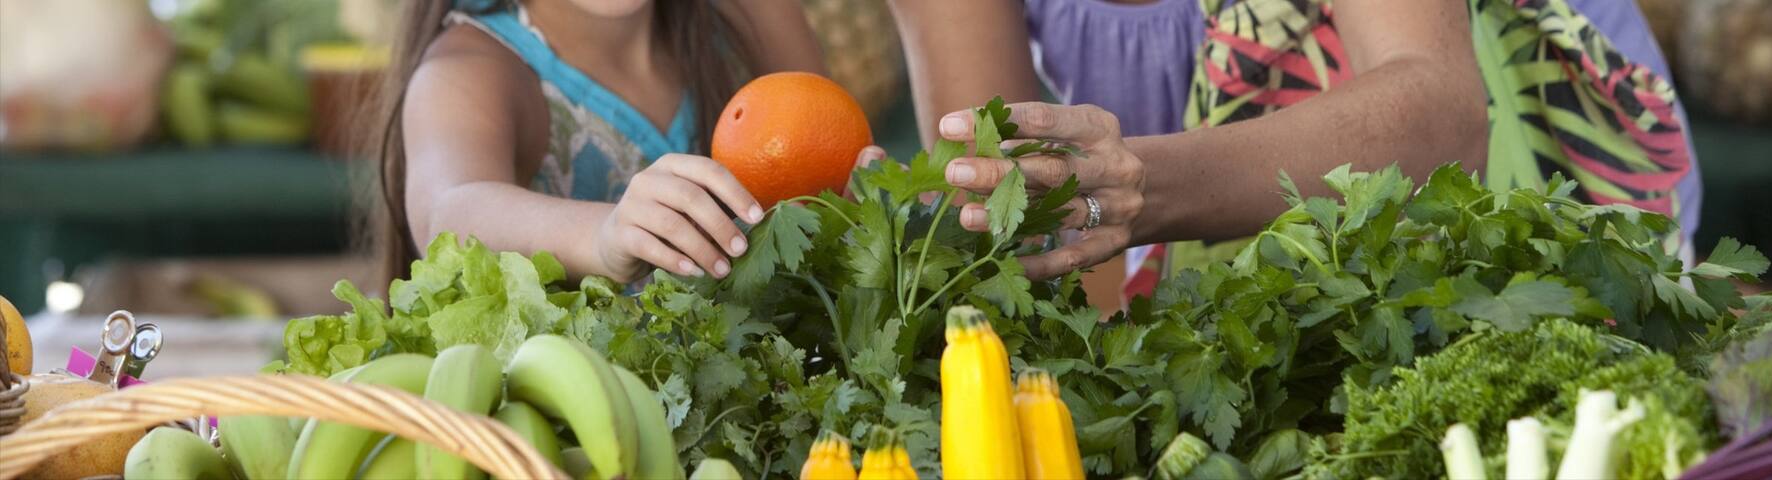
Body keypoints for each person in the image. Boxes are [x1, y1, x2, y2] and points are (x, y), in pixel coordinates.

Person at [888, 0, 1702, 296]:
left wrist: (1148, 183)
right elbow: (1007, 202)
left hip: (1505, 174)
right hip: (1202, 240)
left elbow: (1442, 110)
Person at [363, 0, 846, 283]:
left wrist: (848, 198)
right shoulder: (469, 71)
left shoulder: (750, 15)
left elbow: (828, 154)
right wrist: (602, 235)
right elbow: (449, 211)